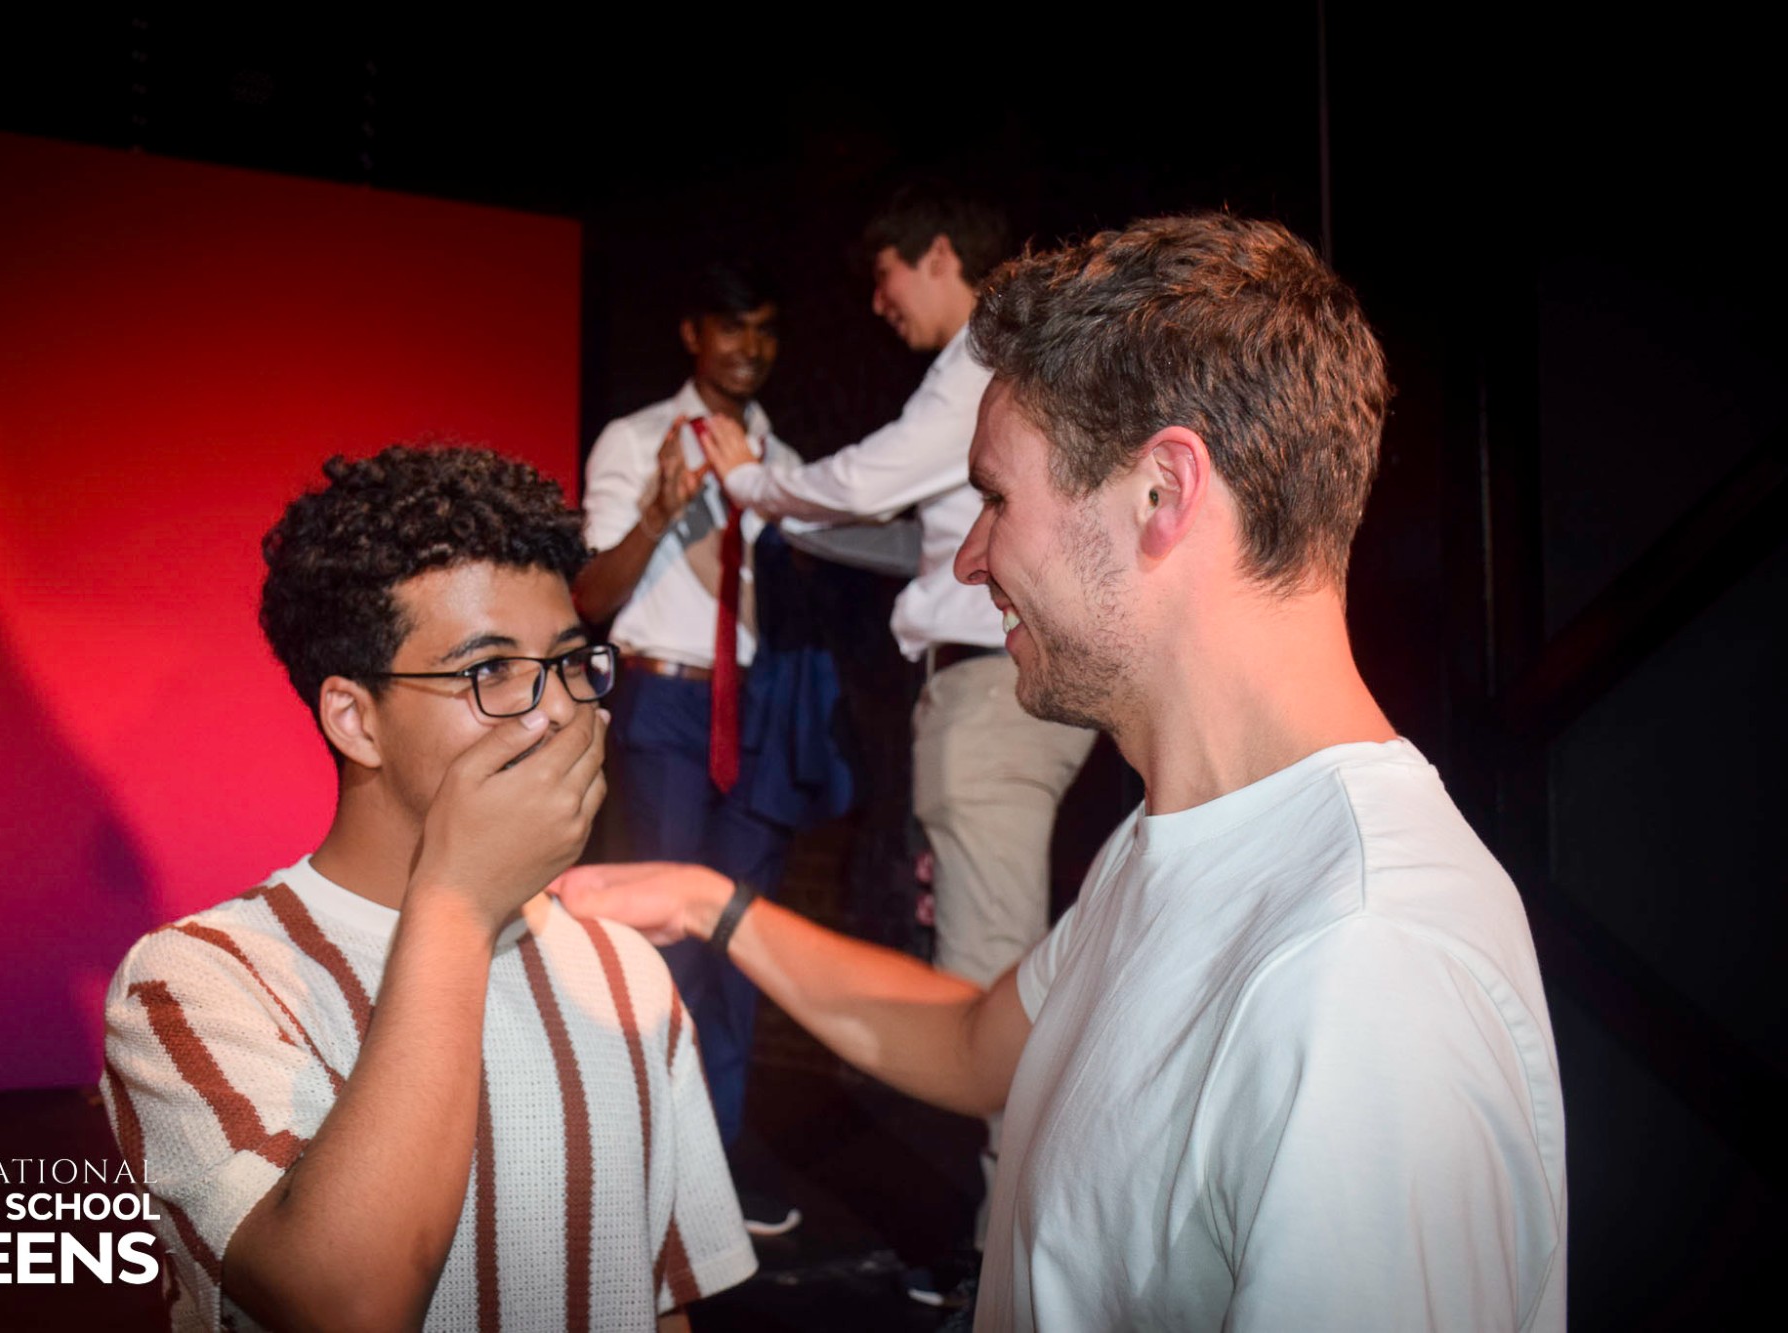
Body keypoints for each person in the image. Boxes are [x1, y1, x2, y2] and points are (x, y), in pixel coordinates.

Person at [557, 215, 1569, 1330]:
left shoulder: (1366, 970)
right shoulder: (1168, 837)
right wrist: (707, 900)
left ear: (1162, 493)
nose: (967, 557)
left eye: (996, 498)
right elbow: (975, 1045)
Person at [101, 445, 753, 1332]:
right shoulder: (197, 981)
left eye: (570, 661)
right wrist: (456, 904)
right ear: (355, 718)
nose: (560, 709)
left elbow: (658, 1302)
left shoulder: (623, 971)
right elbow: (347, 1303)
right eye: (490, 671)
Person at [688, 185, 1097, 1268]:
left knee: (985, 995)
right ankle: (996, 1259)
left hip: (988, 698)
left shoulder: (980, 359)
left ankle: (1002, 1274)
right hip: (983, 695)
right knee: (996, 976)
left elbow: (874, 477)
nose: (878, 302)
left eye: (885, 275)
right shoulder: (1005, 368)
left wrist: (756, 483)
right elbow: (915, 535)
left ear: (939, 254)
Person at [575, 261, 806, 1235]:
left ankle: (714, 1168)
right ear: (692, 334)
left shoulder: (781, 458)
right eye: (731, 327)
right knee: (662, 938)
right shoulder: (634, 440)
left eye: (765, 328)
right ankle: (640, 1168)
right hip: (665, 704)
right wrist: (661, 510)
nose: (749, 347)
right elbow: (589, 596)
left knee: (740, 938)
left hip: (756, 711)